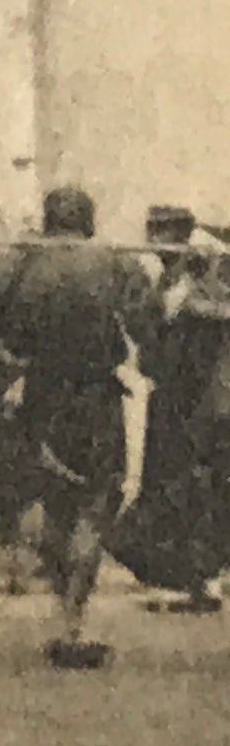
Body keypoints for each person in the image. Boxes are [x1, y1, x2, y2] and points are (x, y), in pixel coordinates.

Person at [0, 185, 145, 669]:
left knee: (56, 501)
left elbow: (11, 343)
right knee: (96, 500)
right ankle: (74, 620)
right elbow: (149, 321)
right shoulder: (115, 264)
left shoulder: (33, 266)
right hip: (97, 397)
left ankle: (67, 621)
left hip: (46, 397)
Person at [112, 205, 230, 614]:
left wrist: (188, 306)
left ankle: (201, 580)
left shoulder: (204, 276)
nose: (153, 240)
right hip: (172, 395)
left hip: (198, 399)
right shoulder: (168, 279)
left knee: (196, 488)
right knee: (168, 485)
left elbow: (213, 321)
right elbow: (149, 333)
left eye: (162, 233)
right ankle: (186, 578)